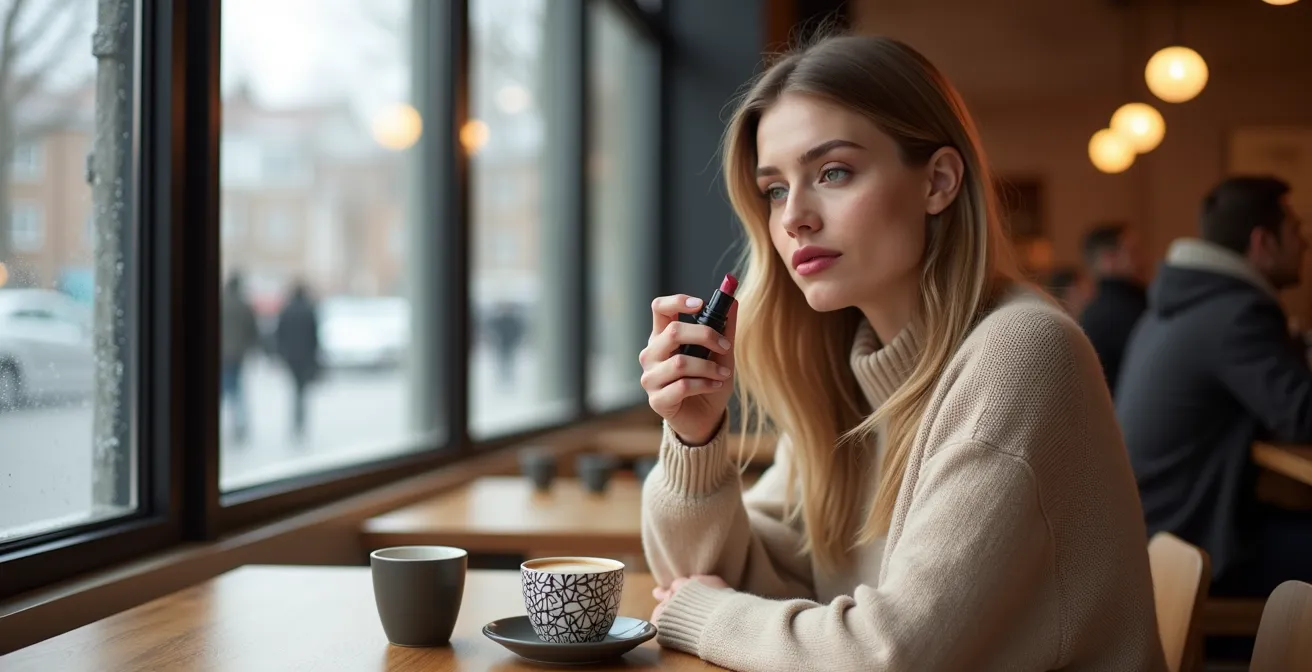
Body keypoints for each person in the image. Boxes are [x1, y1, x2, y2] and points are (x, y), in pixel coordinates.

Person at [637, 34, 1164, 671]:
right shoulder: (849, 374)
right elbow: (704, 580)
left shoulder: (1021, 354)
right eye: (775, 189)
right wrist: (694, 437)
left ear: (938, 181)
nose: (795, 216)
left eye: (833, 172)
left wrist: (709, 616)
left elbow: (889, 656)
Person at [1117, 176, 1312, 601]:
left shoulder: (1170, 308)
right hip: (1203, 551)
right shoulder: (1238, 313)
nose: (1306, 243)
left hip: (1159, 540)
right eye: (1296, 231)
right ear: (1263, 242)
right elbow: (1302, 416)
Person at [1078, 223, 1148, 396]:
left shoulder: (1093, 311)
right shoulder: (1124, 312)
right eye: (1134, 251)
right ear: (1108, 259)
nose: (1144, 259)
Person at [275, 281, 321, 440]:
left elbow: (279, 334)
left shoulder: (287, 310)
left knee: (295, 390)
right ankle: (300, 422)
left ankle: (296, 422)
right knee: (301, 391)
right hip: (305, 358)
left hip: (291, 358)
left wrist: (281, 354)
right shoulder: (309, 310)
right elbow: (315, 337)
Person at [220, 272, 260, 443]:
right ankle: (239, 425)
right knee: (237, 391)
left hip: (221, 356)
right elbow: (252, 331)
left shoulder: (220, 303)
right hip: (237, 355)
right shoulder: (243, 306)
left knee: (222, 390)